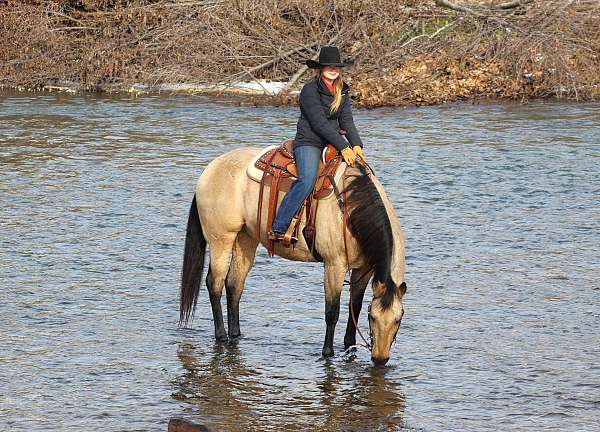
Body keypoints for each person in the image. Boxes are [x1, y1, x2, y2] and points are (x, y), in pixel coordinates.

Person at [269, 46, 364, 242]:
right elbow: (318, 122)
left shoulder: (342, 90)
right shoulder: (309, 90)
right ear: (320, 68)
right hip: (309, 141)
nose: (333, 69)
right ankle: (279, 226)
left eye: (336, 66)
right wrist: (343, 146)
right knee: (307, 179)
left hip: (334, 142)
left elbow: (347, 120)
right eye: (329, 66)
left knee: (361, 174)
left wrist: (356, 145)